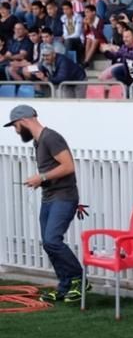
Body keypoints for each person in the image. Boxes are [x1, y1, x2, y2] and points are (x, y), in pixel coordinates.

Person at [7, 105, 87, 303]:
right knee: (49, 243)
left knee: (52, 240)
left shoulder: (51, 138)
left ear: (23, 121)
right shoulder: (38, 141)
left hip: (63, 197)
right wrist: (41, 181)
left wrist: (41, 177)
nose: (16, 131)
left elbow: (68, 166)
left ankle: (79, 280)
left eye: (16, 126)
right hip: (50, 197)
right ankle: (65, 286)